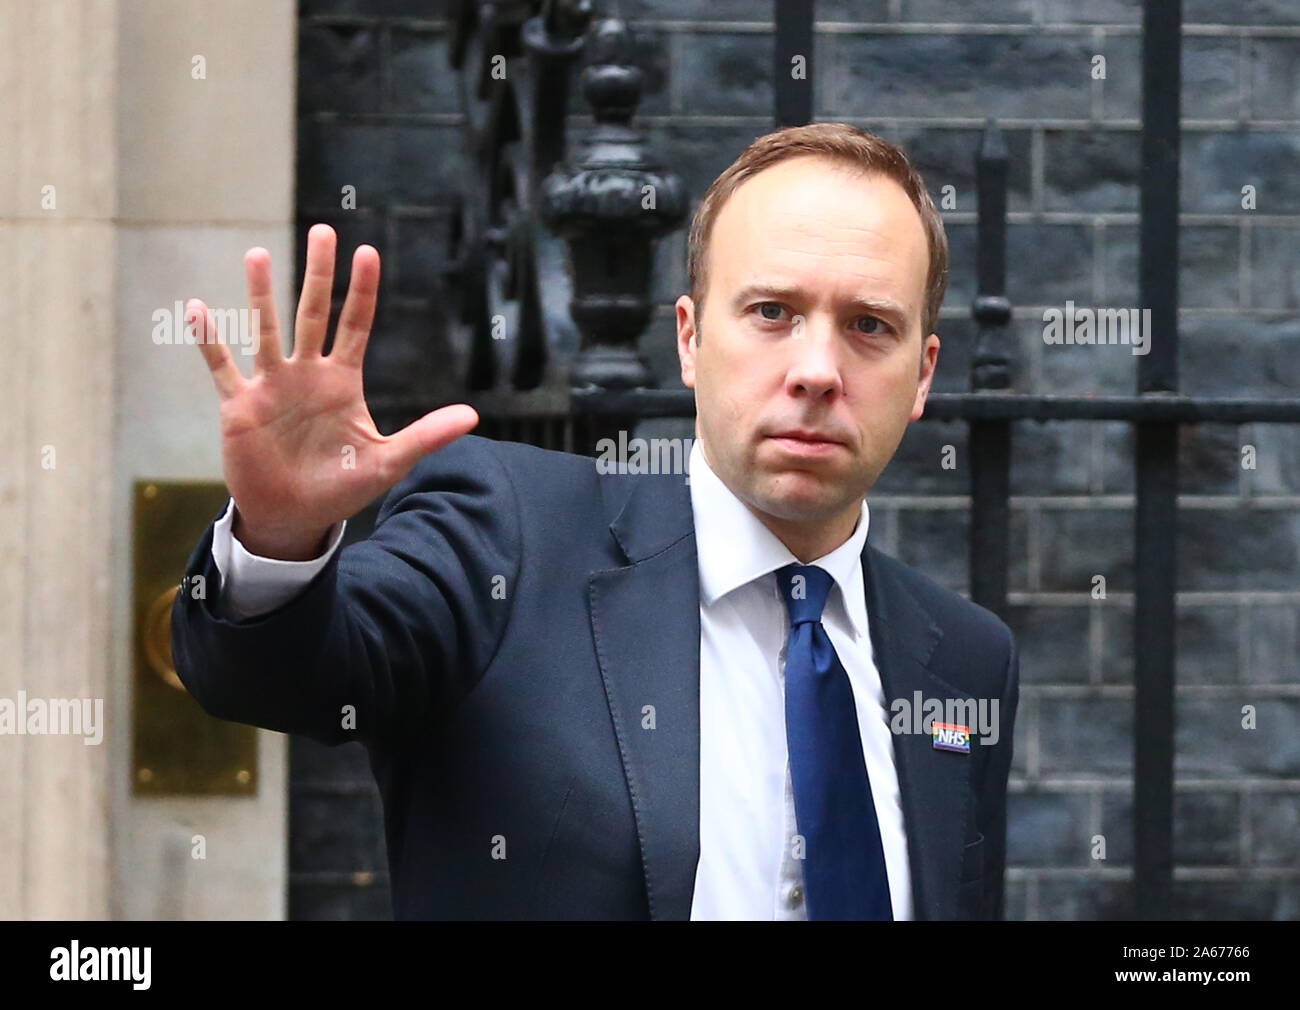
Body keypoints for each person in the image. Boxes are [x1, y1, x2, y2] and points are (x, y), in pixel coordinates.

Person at [172, 122, 1020, 921]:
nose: (816, 370)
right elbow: (285, 676)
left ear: (923, 377)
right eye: (772, 313)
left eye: (870, 326)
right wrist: (275, 538)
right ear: (688, 340)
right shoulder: (510, 532)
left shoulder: (965, 658)